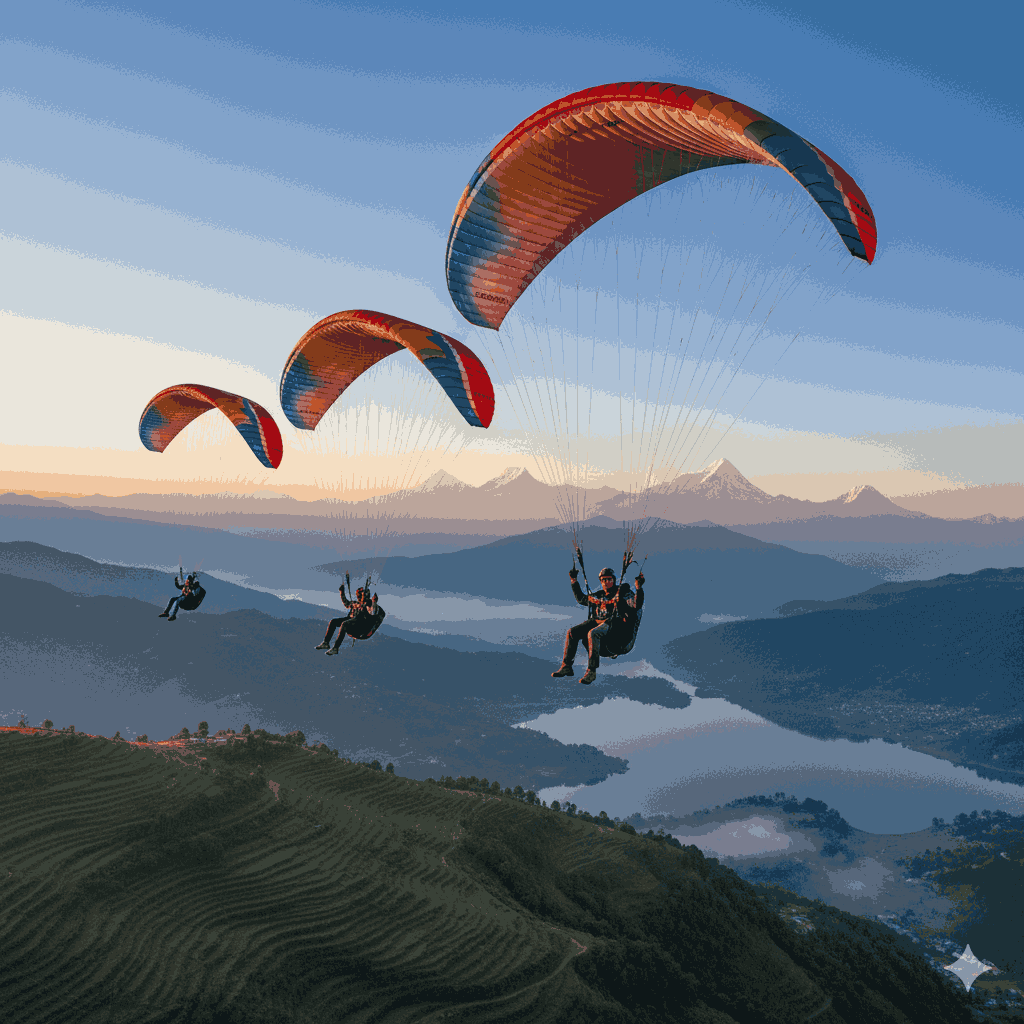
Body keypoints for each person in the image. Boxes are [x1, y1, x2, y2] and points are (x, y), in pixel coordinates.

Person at [552, 565, 645, 684]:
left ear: (614, 580)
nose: (606, 582)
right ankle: (567, 666)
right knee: (572, 632)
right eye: (603, 580)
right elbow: (581, 599)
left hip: (614, 627)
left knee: (593, 633)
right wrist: (574, 581)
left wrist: (638, 588)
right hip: (597, 622)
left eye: (608, 579)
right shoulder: (598, 596)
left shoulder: (622, 593)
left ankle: (591, 671)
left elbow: (636, 604)